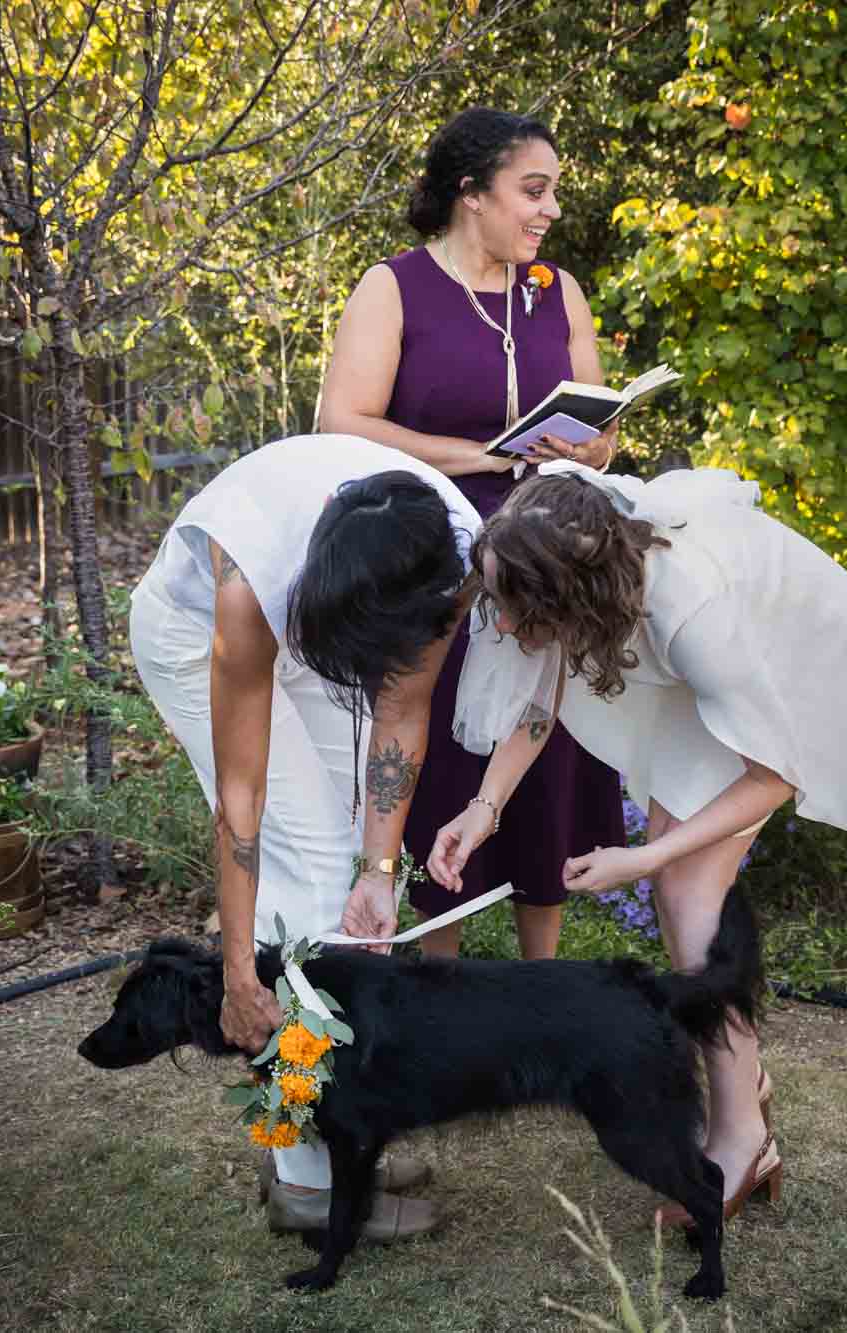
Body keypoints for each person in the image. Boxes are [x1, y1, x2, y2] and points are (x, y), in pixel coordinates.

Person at [425, 462, 847, 1228]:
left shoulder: (695, 620)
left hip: (788, 644)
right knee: (680, 883)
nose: (498, 623)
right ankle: (741, 1083)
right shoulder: (561, 545)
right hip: (707, 651)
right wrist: (483, 808)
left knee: (688, 885)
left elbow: (774, 773)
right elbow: (543, 684)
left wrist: (644, 857)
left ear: (566, 598)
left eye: (510, 606)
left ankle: (742, 1137)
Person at [130, 434, 480, 1242]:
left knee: (349, 887)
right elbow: (242, 801)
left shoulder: (448, 547)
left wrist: (382, 870)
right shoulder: (249, 580)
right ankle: (306, 1180)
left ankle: (341, 1120)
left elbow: (399, 713)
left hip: (334, 621)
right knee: (312, 864)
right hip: (196, 641)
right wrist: (239, 972)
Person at [316, 107, 624, 962]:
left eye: (553, 192)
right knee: (441, 748)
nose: (549, 209)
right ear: (471, 193)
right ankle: (437, 977)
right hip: (434, 560)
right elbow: (340, 420)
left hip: (550, 566)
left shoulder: (559, 291)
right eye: (533, 190)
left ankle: (540, 983)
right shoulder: (396, 286)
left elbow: (603, 429)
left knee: (549, 754)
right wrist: (478, 455)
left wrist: (589, 442)